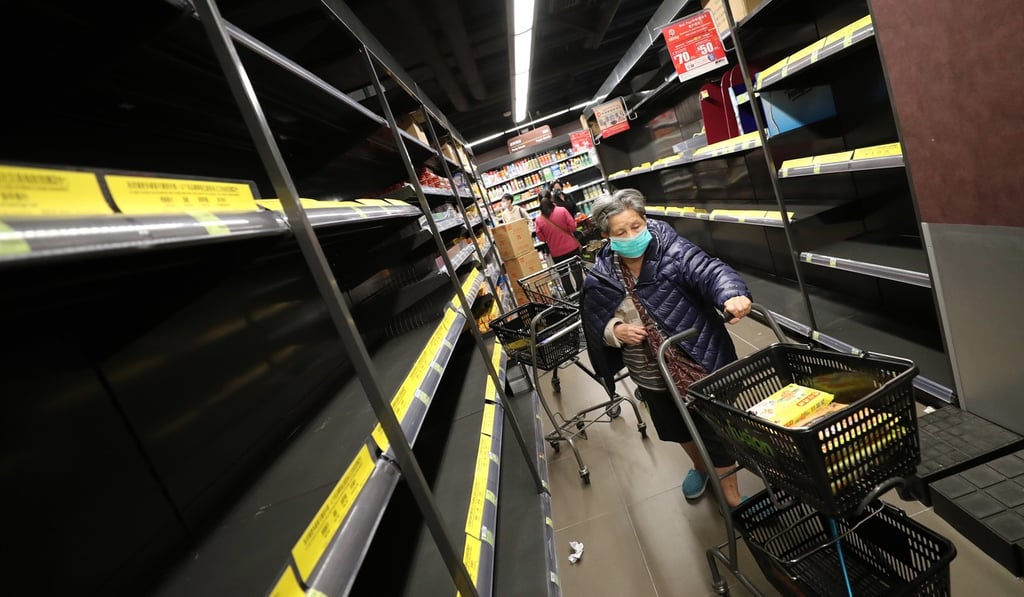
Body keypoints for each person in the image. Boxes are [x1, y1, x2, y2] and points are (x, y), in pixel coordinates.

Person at [581, 189, 753, 509]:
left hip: (695, 356)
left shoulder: (672, 249)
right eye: (620, 232)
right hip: (648, 370)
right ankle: (700, 467)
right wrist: (614, 331)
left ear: (645, 221)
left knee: (714, 429)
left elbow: (709, 270)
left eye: (636, 226)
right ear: (606, 237)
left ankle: (731, 495)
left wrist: (731, 293)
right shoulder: (601, 274)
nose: (631, 235)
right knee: (675, 426)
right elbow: (594, 320)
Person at [535, 196, 583, 290]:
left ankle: (571, 296)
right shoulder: (562, 210)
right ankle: (581, 291)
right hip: (571, 247)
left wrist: (550, 237)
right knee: (576, 270)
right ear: (552, 203)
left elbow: (541, 238)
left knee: (563, 275)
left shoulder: (539, 219)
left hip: (556, 253)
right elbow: (572, 227)